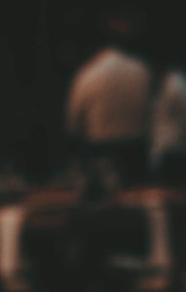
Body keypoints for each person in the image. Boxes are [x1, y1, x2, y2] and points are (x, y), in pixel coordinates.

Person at [63, 11, 155, 188]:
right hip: (139, 157)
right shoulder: (143, 70)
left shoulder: (86, 74)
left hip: (101, 160)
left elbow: (73, 126)